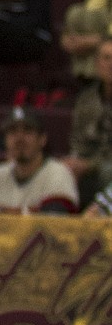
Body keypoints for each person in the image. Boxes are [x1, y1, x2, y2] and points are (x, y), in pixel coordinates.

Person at [0, 109, 79, 215]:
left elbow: (55, 219)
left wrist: (0, 213)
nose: (19, 138)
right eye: (12, 132)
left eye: (27, 131)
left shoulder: (58, 173)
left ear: (42, 139)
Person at [66, 36, 112, 206]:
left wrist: (91, 165)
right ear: (97, 63)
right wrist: (75, 161)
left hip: (106, 168)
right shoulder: (86, 100)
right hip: (88, 163)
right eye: (106, 58)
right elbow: (77, 141)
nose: (110, 64)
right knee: (58, 171)